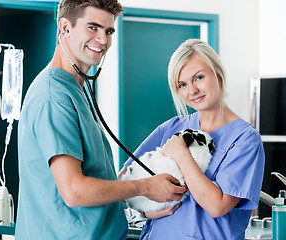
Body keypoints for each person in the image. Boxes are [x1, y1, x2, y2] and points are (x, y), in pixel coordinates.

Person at [15, 1, 187, 239]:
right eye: (93, 27)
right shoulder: (54, 98)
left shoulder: (77, 90)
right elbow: (74, 191)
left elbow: (94, 182)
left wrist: (140, 208)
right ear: (65, 27)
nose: (103, 40)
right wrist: (145, 187)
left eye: (108, 31)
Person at [122, 39, 265, 239]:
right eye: (182, 84)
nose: (192, 91)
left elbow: (217, 206)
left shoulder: (245, 139)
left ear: (217, 73)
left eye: (198, 77)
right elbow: (123, 180)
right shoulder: (171, 128)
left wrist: (182, 155)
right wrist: (145, 211)